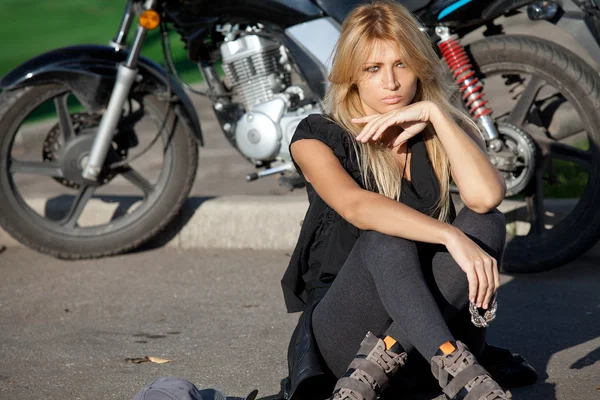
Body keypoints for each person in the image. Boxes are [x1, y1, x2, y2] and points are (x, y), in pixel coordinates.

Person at [280, 1, 537, 400]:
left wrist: (436, 114)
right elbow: (356, 206)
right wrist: (451, 237)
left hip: (416, 338)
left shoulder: (434, 127)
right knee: (384, 236)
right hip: (345, 340)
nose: (391, 82)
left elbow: (486, 196)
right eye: (373, 68)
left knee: (486, 222)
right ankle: (455, 364)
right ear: (351, 75)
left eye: (402, 64)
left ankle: (400, 360)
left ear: (419, 66)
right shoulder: (315, 137)